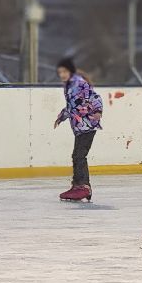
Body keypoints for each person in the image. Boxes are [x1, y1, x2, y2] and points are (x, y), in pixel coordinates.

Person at [53, 56, 103, 202]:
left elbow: (95, 97)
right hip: (80, 126)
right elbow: (71, 107)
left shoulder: (79, 83)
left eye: (64, 71)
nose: (62, 75)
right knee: (77, 155)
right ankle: (77, 186)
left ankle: (84, 186)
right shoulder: (69, 86)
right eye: (60, 72)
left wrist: (98, 111)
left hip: (87, 125)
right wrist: (61, 117)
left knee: (79, 155)